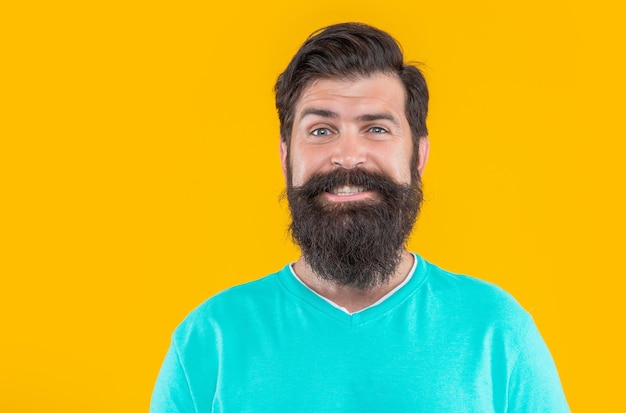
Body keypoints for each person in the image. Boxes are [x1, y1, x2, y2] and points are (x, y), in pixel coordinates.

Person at [150, 22, 569, 412]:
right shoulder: (210, 339)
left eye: (376, 129)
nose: (347, 156)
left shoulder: (496, 330)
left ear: (418, 155)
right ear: (285, 157)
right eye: (320, 131)